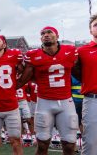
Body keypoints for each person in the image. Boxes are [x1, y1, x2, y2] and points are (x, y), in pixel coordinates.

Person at [18, 26, 78, 155]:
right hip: (44, 102)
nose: (46, 35)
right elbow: (25, 78)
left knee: (69, 145)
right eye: (43, 33)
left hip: (66, 101)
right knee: (42, 144)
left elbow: (79, 73)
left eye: (49, 32)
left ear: (57, 36)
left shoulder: (70, 51)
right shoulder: (32, 55)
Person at [73, 14, 97, 155]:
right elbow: (75, 70)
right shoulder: (82, 51)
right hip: (92, 99)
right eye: (95, 25)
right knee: (91, 141)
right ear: (90, 30)